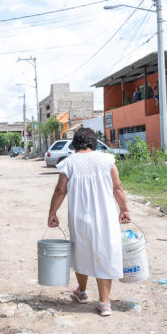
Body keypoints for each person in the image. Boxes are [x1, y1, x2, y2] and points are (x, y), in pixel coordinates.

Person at [47, 127, 131, 317]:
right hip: (105, 217)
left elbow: (60, 191)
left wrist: (52, 213)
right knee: (104, 254)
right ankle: (104, 303)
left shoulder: (68, 163)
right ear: (93, 142)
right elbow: (117, 187)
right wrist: (124, 209)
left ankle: (82, 293)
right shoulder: (107, 160)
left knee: (81, 252)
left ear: (75, 144)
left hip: (80, 217)